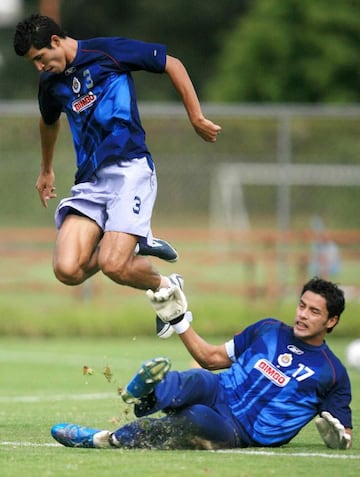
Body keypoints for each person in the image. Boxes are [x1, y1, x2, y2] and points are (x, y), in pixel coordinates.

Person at [13, 14, 221, 337]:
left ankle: (144, 268)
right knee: (66, 269)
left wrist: (196, 117)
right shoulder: (50, 84)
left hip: (130, 171)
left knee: (113, 265)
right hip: (90, 183)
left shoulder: (108, 52)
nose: (39, 67)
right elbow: (48, 121)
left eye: (40, 58)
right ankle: (162, 276)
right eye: (33, 63)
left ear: (55, 41)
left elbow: (172, 63)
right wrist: (46, 169)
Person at [51, 277, 353, 450]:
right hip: (220, 390)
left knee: (193, 418)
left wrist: (335, 439)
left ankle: (105, 439)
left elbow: (345, 434)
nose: (302, 315)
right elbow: (210, 359)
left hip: (239, 430)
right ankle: (147, 394)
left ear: (332, 320)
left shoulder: (333, 373)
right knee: (195, 380)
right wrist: (179, 320)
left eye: (314, 311)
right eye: (302, 305)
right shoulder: (268, 329)